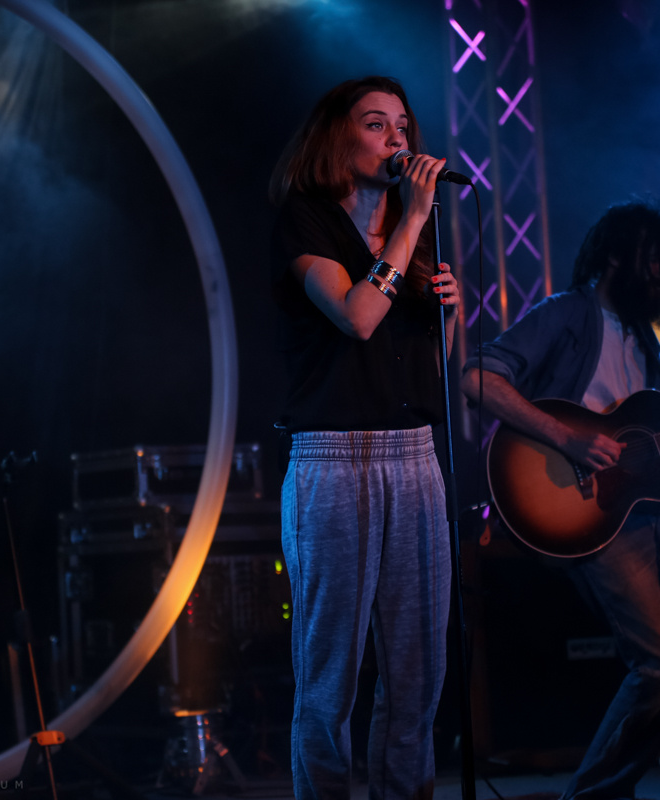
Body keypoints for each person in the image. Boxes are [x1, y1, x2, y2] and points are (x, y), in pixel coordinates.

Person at [460, 200, 660, 800]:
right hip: (591, 513)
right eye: (655, 260)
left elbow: (656, 452)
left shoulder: (648, 341)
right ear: (615, 258)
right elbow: (477, 376)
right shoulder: (566, 313)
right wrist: (567, 437)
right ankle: (592, 796)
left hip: (654, 511)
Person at [268, 76, 460, 800]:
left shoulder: (414, 233)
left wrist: (449, 317)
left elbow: (425, 369)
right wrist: (413, 223)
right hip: (334, 459)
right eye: (377, 125)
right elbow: (356, 316)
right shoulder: (306, 222)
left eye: (403, 126)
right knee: (332, 677)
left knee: (418, 673)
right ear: (337, 136)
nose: (397, 140)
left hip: (414, 457)